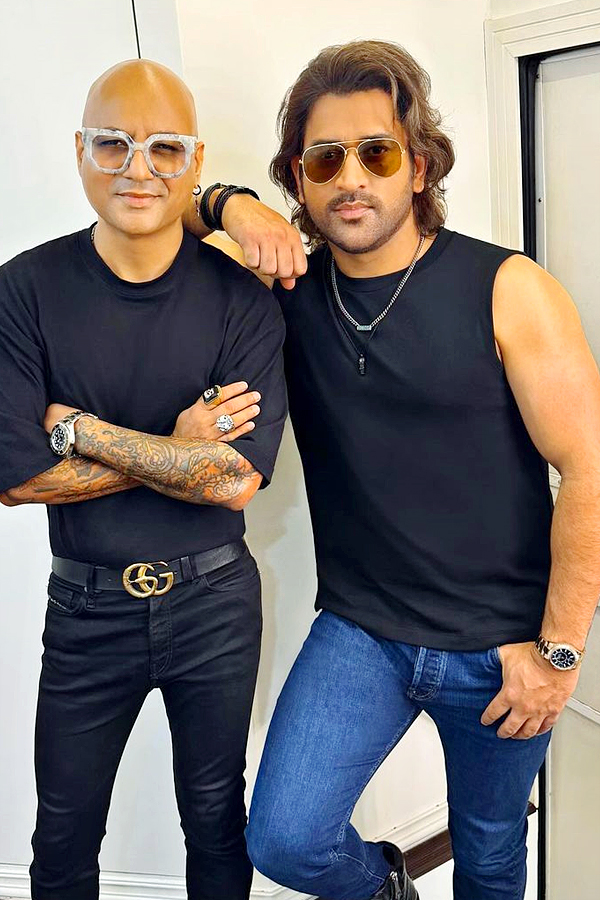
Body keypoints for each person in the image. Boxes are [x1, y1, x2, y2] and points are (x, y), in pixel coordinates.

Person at [219, 40, 600, 900]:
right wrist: (232, 204)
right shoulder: (287, 296)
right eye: (325, 159)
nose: (351, 178)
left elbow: (590, 468)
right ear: (299, 179)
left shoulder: (508, 288)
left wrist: (559, 655)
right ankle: (387, 886)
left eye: (377, 153)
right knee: (284, 839)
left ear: (419, 166)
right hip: (362, 633)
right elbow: (158, 214)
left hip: (502, 645)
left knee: (491, 855)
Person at [0, 59, 294, 900]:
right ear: (79, 151)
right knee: (62, 837)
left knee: (215, 818)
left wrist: (82, 432)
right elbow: (17, 478)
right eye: (113, 144)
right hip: (85, 608)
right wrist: (175, 448)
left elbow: (232, 481)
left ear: (194, 161)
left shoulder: (243, 300)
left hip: (215, 603)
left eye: (165, 147)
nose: (138, 168)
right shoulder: (23, 289)